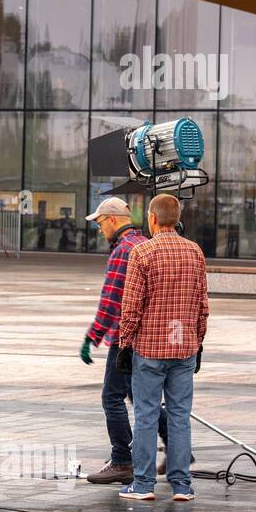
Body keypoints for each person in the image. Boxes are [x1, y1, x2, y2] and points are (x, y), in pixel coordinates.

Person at [115, 193, 209, 502]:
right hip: (184, 348)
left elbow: (131, 307)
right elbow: (202, 306)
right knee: (180, 416)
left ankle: (143, 485)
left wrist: (124, 344)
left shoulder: (143, 253)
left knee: (146, 416)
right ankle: (181, 485)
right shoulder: (195, 252)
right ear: (177, 219)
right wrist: (199, 342)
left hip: (150, 349)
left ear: (153, 219)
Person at [80, 197, 171, 485]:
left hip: (125, 337)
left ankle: (122, 460)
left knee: (112, 397)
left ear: (112, 219)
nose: (98, 228)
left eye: (99, 222)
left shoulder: (123, 251)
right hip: (147, 336)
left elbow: (111, 302)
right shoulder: (144, 244)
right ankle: (179, 448)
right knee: (141, 397)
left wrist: (91, 337)